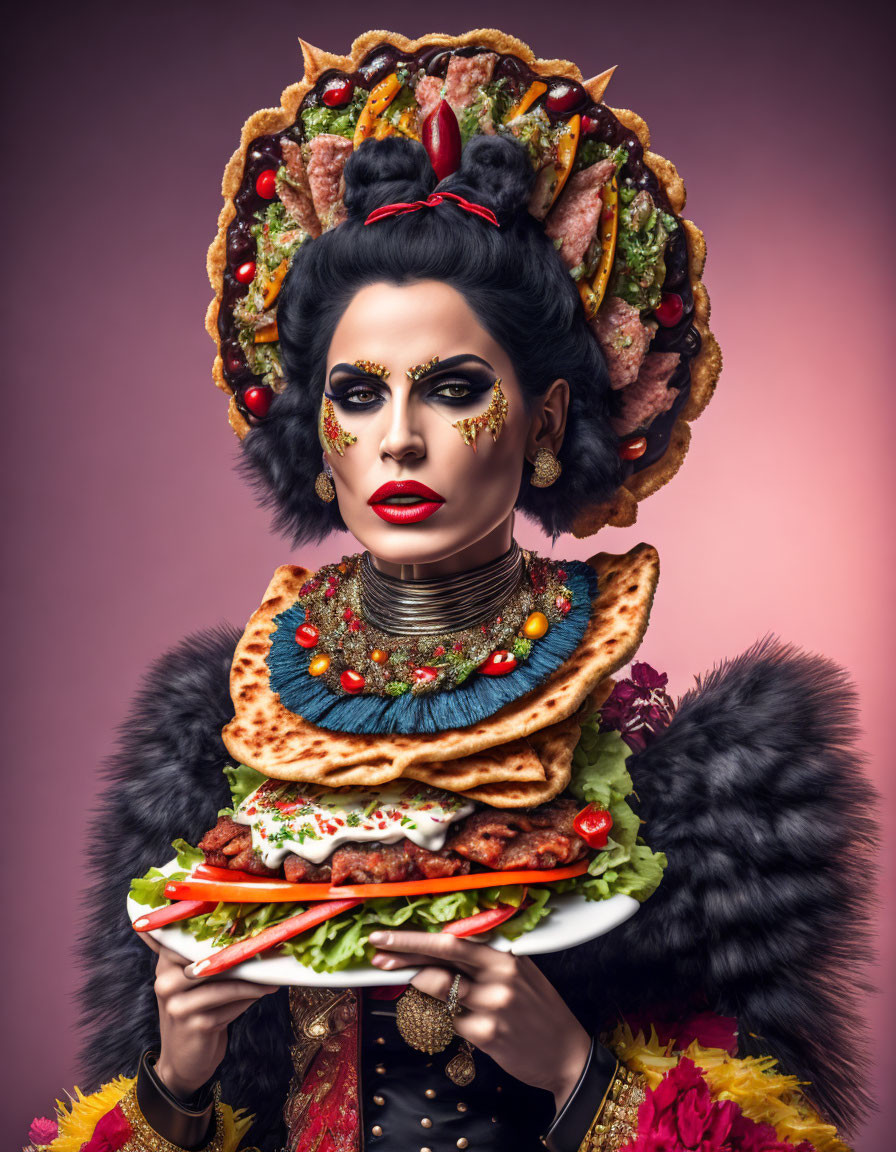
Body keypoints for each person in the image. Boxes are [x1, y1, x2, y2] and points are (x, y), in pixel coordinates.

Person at [25, 29, 875, 1152]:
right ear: (317, 439)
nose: (402, 441)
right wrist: (178, 1083)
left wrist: (577, 1073)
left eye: (454, 387)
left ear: (547, 423)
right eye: (359, 395)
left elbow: (781, 1136)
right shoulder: (215, 745)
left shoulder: (685, 775)